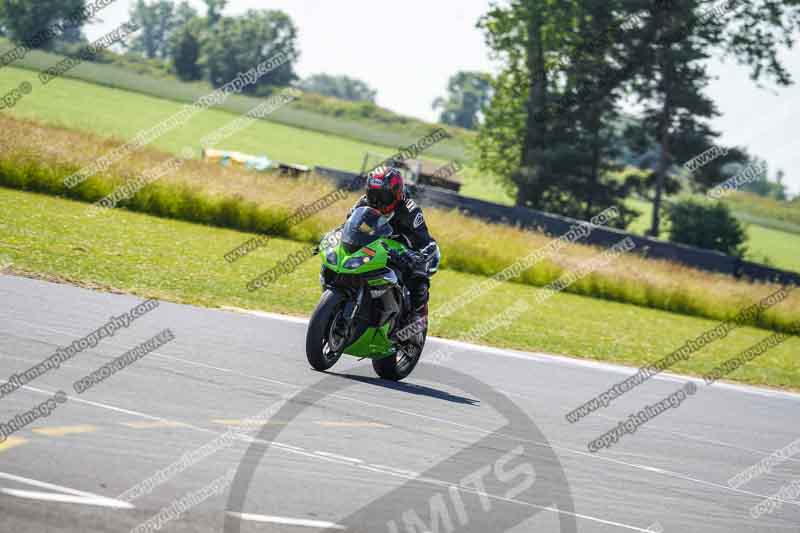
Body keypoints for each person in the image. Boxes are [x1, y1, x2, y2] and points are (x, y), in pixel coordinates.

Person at [348, 165, 440, 336]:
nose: (377, 201)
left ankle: (414, 321)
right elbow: (348, 225)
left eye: (383, 196)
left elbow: (425, 242)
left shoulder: (409, 210)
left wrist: (415, 256)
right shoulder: (363, 203)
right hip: (377, 248)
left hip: (407, 251)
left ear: (396, 194)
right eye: (373, 195)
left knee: (418, 281)